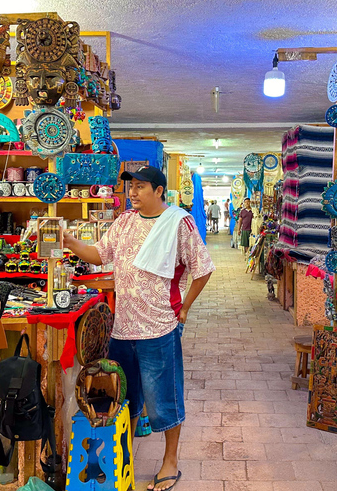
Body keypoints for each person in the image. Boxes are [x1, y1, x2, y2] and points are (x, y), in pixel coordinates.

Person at [63, 166, 215, 491]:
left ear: (159, 191)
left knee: (164, 400)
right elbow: (98, 254)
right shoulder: (124, 222)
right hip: (123, 329)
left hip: (159, 327)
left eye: (140, 187)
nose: (132, 193)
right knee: (125, 397)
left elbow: (202, 268)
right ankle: (124, 459)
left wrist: (185, 307)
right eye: (131, 187)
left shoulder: (179, 223)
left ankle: (170, 461)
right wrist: (68, 240)